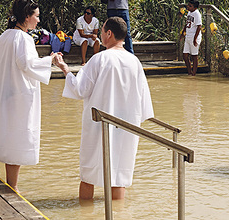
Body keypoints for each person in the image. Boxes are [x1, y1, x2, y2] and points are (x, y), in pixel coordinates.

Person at [53, 16, 154, 200]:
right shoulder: (134, 62)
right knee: (119, 176)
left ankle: (85, 212)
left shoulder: (99, 59)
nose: (100, 35)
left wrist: (64, 68)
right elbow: (144, 103)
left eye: (102, 32)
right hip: (125, 125)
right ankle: (118, 213)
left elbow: (79, 90)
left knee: (88, 174)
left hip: (98, 125)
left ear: (109, 33)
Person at [0, 0, 59, 191]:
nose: (38, 21)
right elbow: (28, 64)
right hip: (19, 93)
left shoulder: (5, 35)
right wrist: (50, 60)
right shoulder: (23, 38)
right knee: (18, 134)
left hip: (5, 91)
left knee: (6, 128)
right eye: (37, 16)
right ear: (27, 16)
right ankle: (12, 186)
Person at [179, 0, 202, 76]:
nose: (188, 7)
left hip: (194, 36)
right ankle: (189, 71)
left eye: (190, 6)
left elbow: (199, 27)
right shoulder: (189, 12)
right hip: (188, 36)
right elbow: (187, 23)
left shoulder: (197, 14)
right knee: (185, 55)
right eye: (188, 5)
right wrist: (183, 33)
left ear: (195, 7)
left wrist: (195, 39)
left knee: (194, 55)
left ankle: (194, 73)